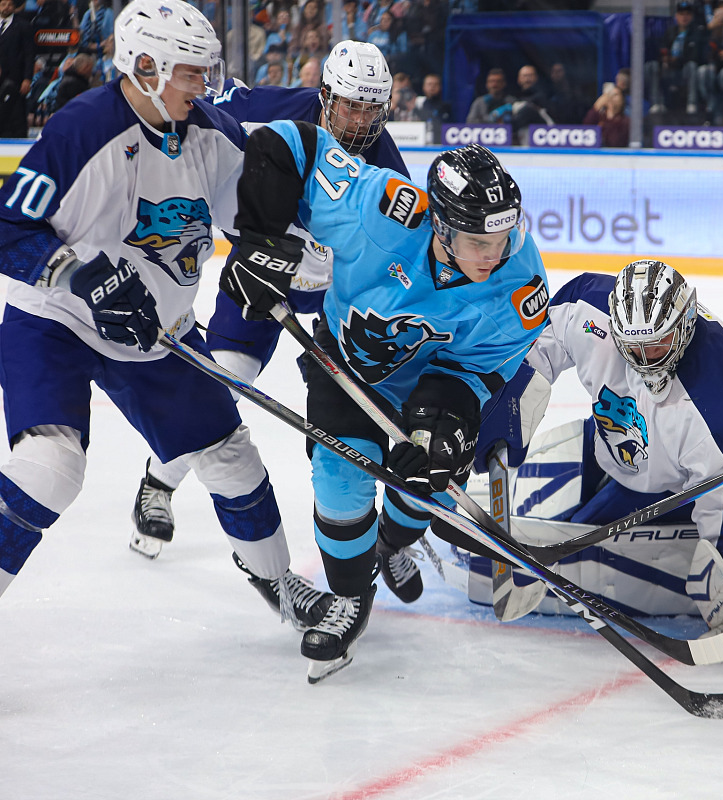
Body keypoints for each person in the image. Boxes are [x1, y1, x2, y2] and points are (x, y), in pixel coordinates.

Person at [0, 0, 336, 650]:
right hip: (57, 322)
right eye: (190, 72)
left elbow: (257, 226)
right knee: (49, 467)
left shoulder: (212, 132)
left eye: (206, 71)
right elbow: (9, 228)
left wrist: (293, 262)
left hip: (159, 330)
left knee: (230, 456)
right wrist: (81, 275)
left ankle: (280, 583)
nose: (203, 85)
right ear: (146, 66)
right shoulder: (81, 129)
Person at [219, 133, 550, 681]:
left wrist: (448, 421)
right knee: (339, 476)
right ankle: (351, 598)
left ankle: (392, 543)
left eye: (502, 238)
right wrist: (260, 241)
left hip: (432, 383)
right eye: (477, 242)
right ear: (440, 226)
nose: (493, 255)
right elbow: (288, 145)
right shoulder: (377, 209)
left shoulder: (521, 280)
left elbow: (486, 365)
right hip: (346, 366)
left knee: (426, 485)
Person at [129, 40, 409, 560]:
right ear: (326, 96)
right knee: (222, 387)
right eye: (351, 105)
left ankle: (386, 532)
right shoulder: (270, 112)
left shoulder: (388, 171)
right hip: (263, 272)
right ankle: (157, 483)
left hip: (335, 294)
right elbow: (200, 117)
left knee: (360, 406)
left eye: (372, 109)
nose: (360, 120)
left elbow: (398, 258)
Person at [473, 262, 723, 633]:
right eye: (633, 347)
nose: (645, 359)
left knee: (576, 551)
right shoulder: (589, 309)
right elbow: (539, 340)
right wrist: (505, 401)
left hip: (672, 488)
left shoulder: (716, 401)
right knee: (516, 525)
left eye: (657, 345)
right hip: (610, 444)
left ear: (684, 326)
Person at [647, 0, 708, 116]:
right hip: (668, 69)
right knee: (652, 66)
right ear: (676, 16)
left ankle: (692, 103)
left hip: (684, 70)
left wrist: (677, 60)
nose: (684, 17)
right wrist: (665, 59)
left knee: (692, 66)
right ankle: (656, 103)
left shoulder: (697, 32)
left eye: (687, 14)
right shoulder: (670, 32)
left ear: (692, 16)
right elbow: (661, 50)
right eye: (681, 14)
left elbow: (696, 56)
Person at [0, 0, 35, 138]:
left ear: (14, 7)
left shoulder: (23, 26)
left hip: (16, 79)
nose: (6, 7)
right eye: (3, 4)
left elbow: (29, 54)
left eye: (9, 4)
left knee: (16, 112)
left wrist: (27, 78)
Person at [413, 72, 451, 140]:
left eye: (435, 84)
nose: (432, 87)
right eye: (429, 84)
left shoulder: (446, 107)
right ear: (423, 87)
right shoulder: (418, 105)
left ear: (440, 87)